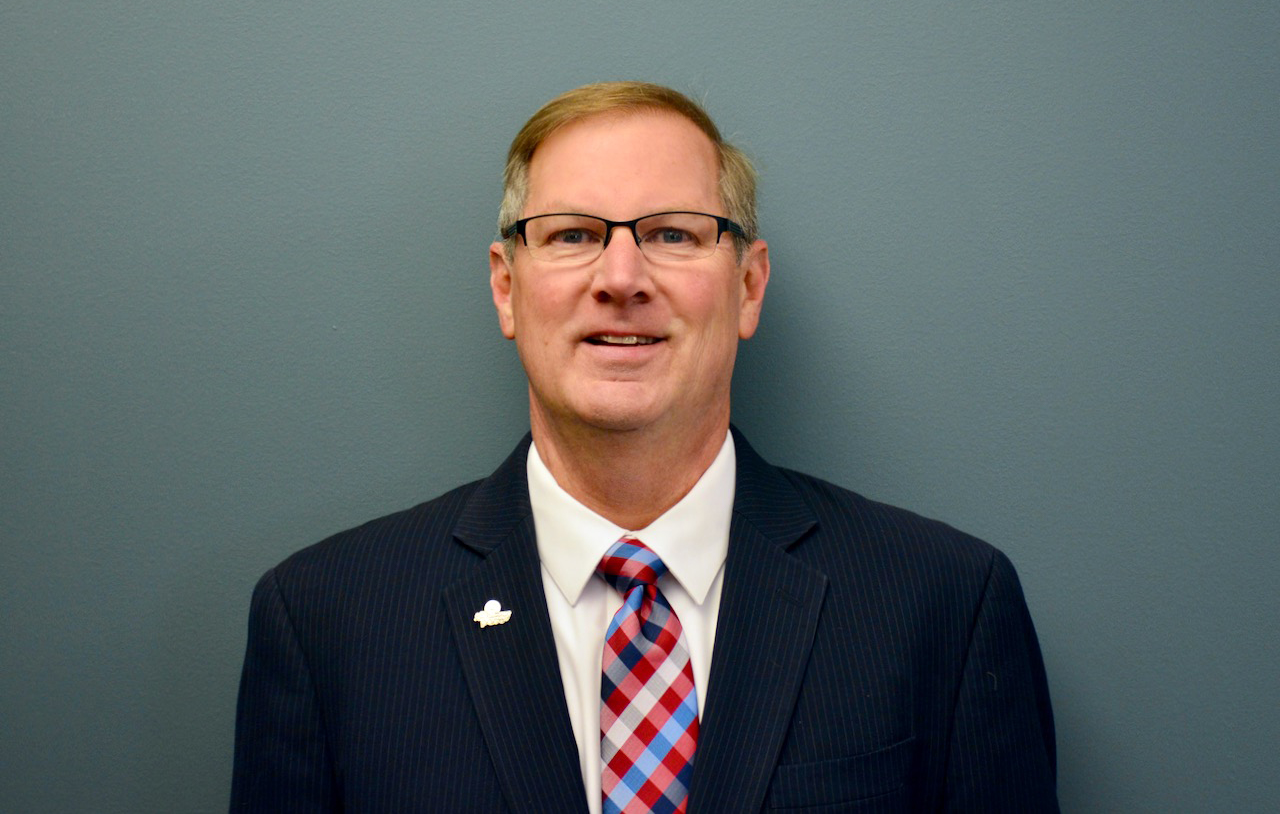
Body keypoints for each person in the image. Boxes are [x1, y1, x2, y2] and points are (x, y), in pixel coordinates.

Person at [230, 81, 1058, 813]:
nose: (621, 276)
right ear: (506, 286)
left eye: (672, 234)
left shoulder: (943, 605)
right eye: (570, 234)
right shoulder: (327, 622)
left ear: (748, 285)